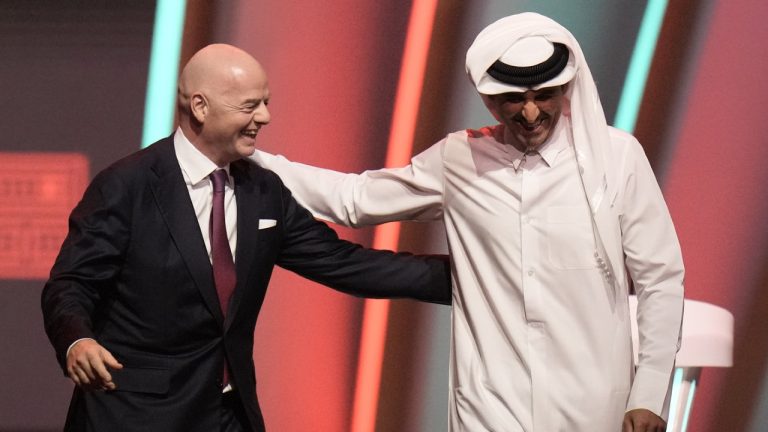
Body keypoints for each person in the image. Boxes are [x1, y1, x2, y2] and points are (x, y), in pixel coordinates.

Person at [251, 12, 684, 432]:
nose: (531, 113)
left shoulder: (617, 158)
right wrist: (247, 157)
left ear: (566, 88)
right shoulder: (459, 159)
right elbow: (354, 200)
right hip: (490, 404)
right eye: (515, 98)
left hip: (594, 404)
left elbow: (660, 279)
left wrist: (649, 391)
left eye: (543, 95)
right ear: (489, 98)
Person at [41, 44, 452, 432]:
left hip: (228, 415)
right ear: (200, 106)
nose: (266, 117)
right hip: (135, 413)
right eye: (250, 105)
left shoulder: (263, 191)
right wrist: (77, 339)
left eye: (266, 102)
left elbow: (348, 264)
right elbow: (71, 283)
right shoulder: (127, 186)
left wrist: (477, 276)